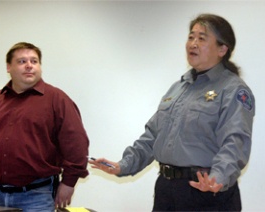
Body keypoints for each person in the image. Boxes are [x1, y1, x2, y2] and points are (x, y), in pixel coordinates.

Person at [89, 14, 255, 211]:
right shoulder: (178, 89)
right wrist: (123, 165)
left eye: (202, 38)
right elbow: (152, 137)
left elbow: (235, 141)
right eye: (191, 37)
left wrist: (217, 178)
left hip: (206, 191)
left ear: (222, 49)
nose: (193, 43)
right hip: (167, 191)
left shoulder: (233, 89)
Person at [0, 42, 89, 211]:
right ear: (9, 67)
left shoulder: (56, 100)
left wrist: (69, 182)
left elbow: (76, 143)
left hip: (37, 197)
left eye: (34, 61)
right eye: (22, 61)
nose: (29, 66)